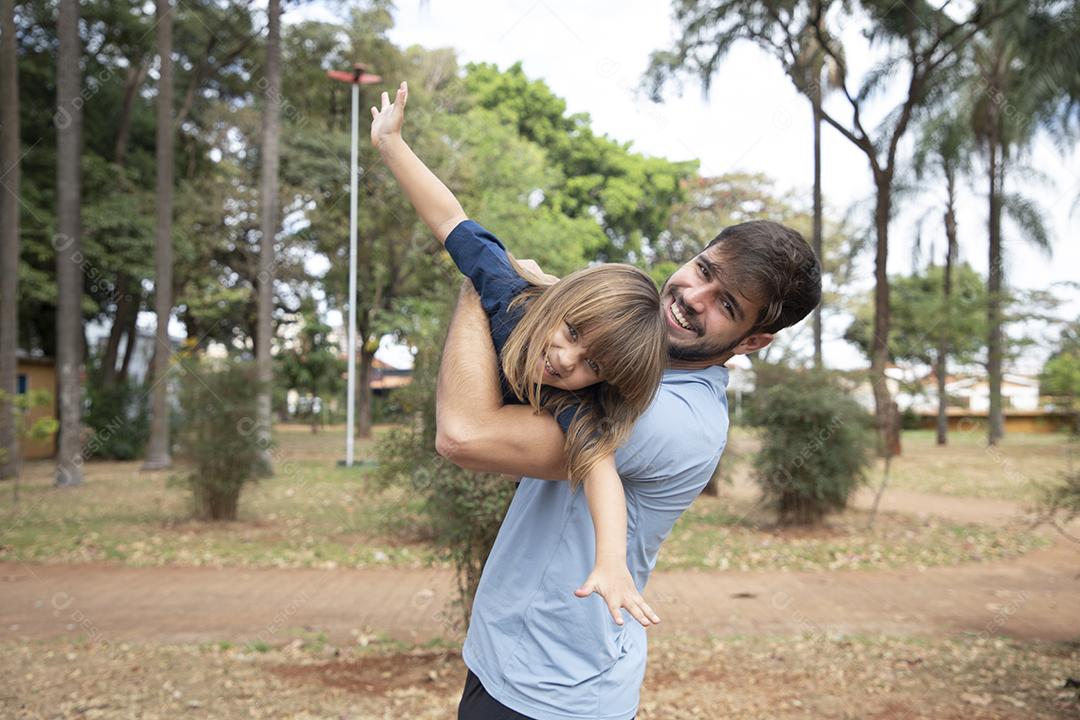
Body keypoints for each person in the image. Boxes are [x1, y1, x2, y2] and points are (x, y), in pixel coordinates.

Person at [434, 121, 823, 719]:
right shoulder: (629, 366)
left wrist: (478, 289)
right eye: (704, 270)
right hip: (504, 659)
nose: (693, 296)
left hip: (552, 694)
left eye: (726, 305)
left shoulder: (672, 417)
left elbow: (465, 436)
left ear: (752, 341)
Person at [370, 81, 669, 630]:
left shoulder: (572, 403)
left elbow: (602, 471)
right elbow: (449, 219)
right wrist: (391, 143)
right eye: (571, 331)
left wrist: (611, 561)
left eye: (593, 365)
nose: (566, 359)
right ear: (557, 301)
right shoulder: (510, 293)